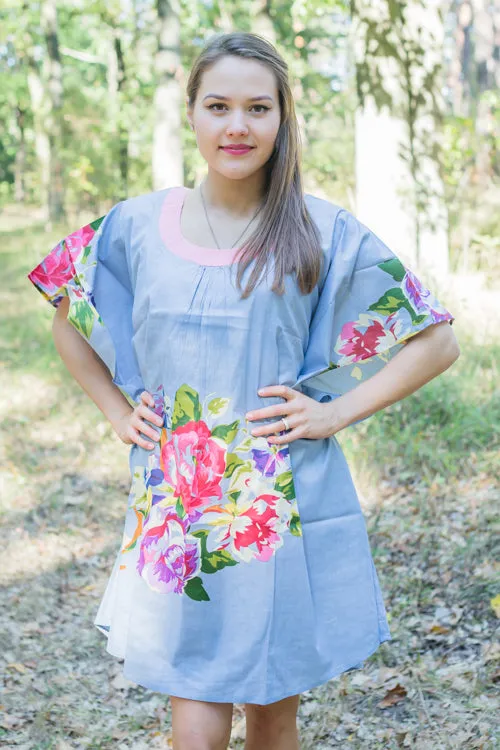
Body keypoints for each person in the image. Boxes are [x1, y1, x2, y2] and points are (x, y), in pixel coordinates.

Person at [28, 30, 459, 750]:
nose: (237, 125)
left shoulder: (322, 229)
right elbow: (69, 314)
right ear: (191, 112)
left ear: (283, 117)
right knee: (194, 713)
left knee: (270, 702)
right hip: (180, 505)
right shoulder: (135, 225)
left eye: (258, 108)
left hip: (278, 500)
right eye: (219, 105)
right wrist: (116, 412)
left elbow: (435, 339)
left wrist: (334, 412)